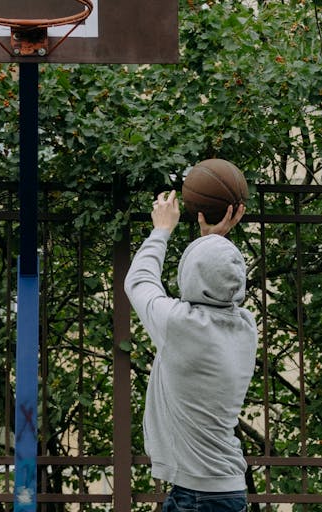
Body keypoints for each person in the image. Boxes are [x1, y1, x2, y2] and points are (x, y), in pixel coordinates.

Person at [124, 190, 257, 512]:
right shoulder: (245, 325)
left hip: (200, 497)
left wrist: (162, 229)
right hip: (220, 489)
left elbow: (138, 281)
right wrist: (211, 243)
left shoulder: (180, 324)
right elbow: (216, 282)